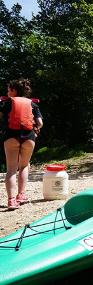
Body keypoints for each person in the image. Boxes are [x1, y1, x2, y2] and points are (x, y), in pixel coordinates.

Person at [1, 79, 43, 210]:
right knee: (24, 166)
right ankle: (21, 195)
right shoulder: (33, 104)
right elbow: (40, 123)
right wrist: (35, 129)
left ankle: (11, 201)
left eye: (9, 90)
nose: (7, 92)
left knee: (11, 169)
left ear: (14, 90)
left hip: (11, 136)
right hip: (29, 137)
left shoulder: (7, 103)